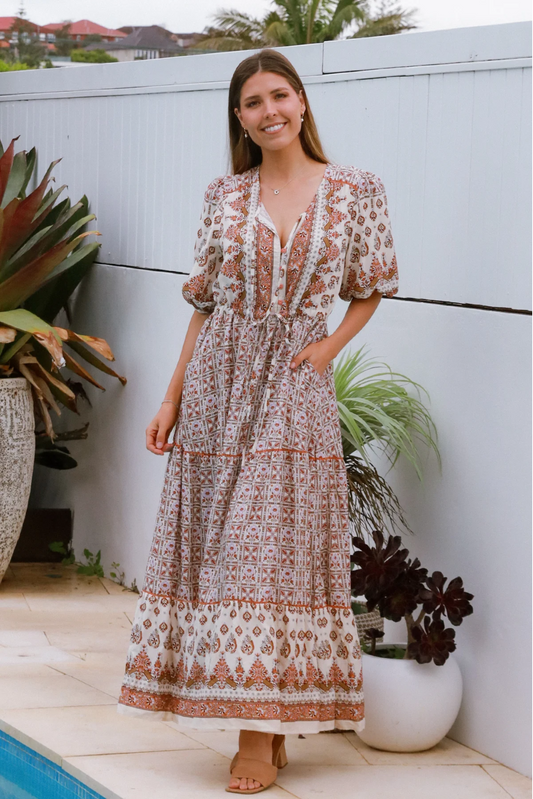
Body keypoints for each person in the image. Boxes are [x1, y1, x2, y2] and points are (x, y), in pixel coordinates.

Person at [117, 48, 399, 795]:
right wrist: (172, 397)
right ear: (239, 119)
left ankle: (253, 734)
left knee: (270, 551)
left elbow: (373, 283)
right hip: (220, 383)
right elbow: (206, 305)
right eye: (252, 103)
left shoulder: (355, 189)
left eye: (279, 95)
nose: (268, 111)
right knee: (224, 548)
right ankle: (264, 728)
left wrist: (328, 348)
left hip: (296, 384)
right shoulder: (223, 195)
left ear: (301, 102)